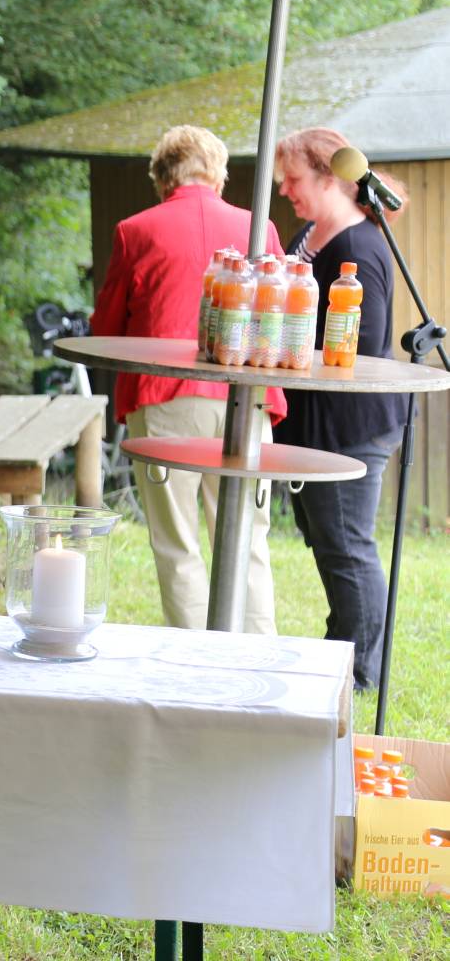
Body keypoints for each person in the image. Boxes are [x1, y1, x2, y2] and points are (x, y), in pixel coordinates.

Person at [90, 125, 286, 634]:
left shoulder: (135, 231)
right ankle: (257, 660)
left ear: (162, 179)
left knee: (177, 545)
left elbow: (105, 329)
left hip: (165, 400)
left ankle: (196, 665)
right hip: (248, 399)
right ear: (219, 175)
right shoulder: (259, 229)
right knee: (248, 541)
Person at [275, 127, 411, 690]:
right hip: (315, 426)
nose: (284, 190)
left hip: (349, 429)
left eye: (293, 179)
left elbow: (365, 347)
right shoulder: (313, 232)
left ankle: (358, 675)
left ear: (329, 178)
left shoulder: (358, 247)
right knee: (328, 542)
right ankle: (341, 655)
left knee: (348, 549)